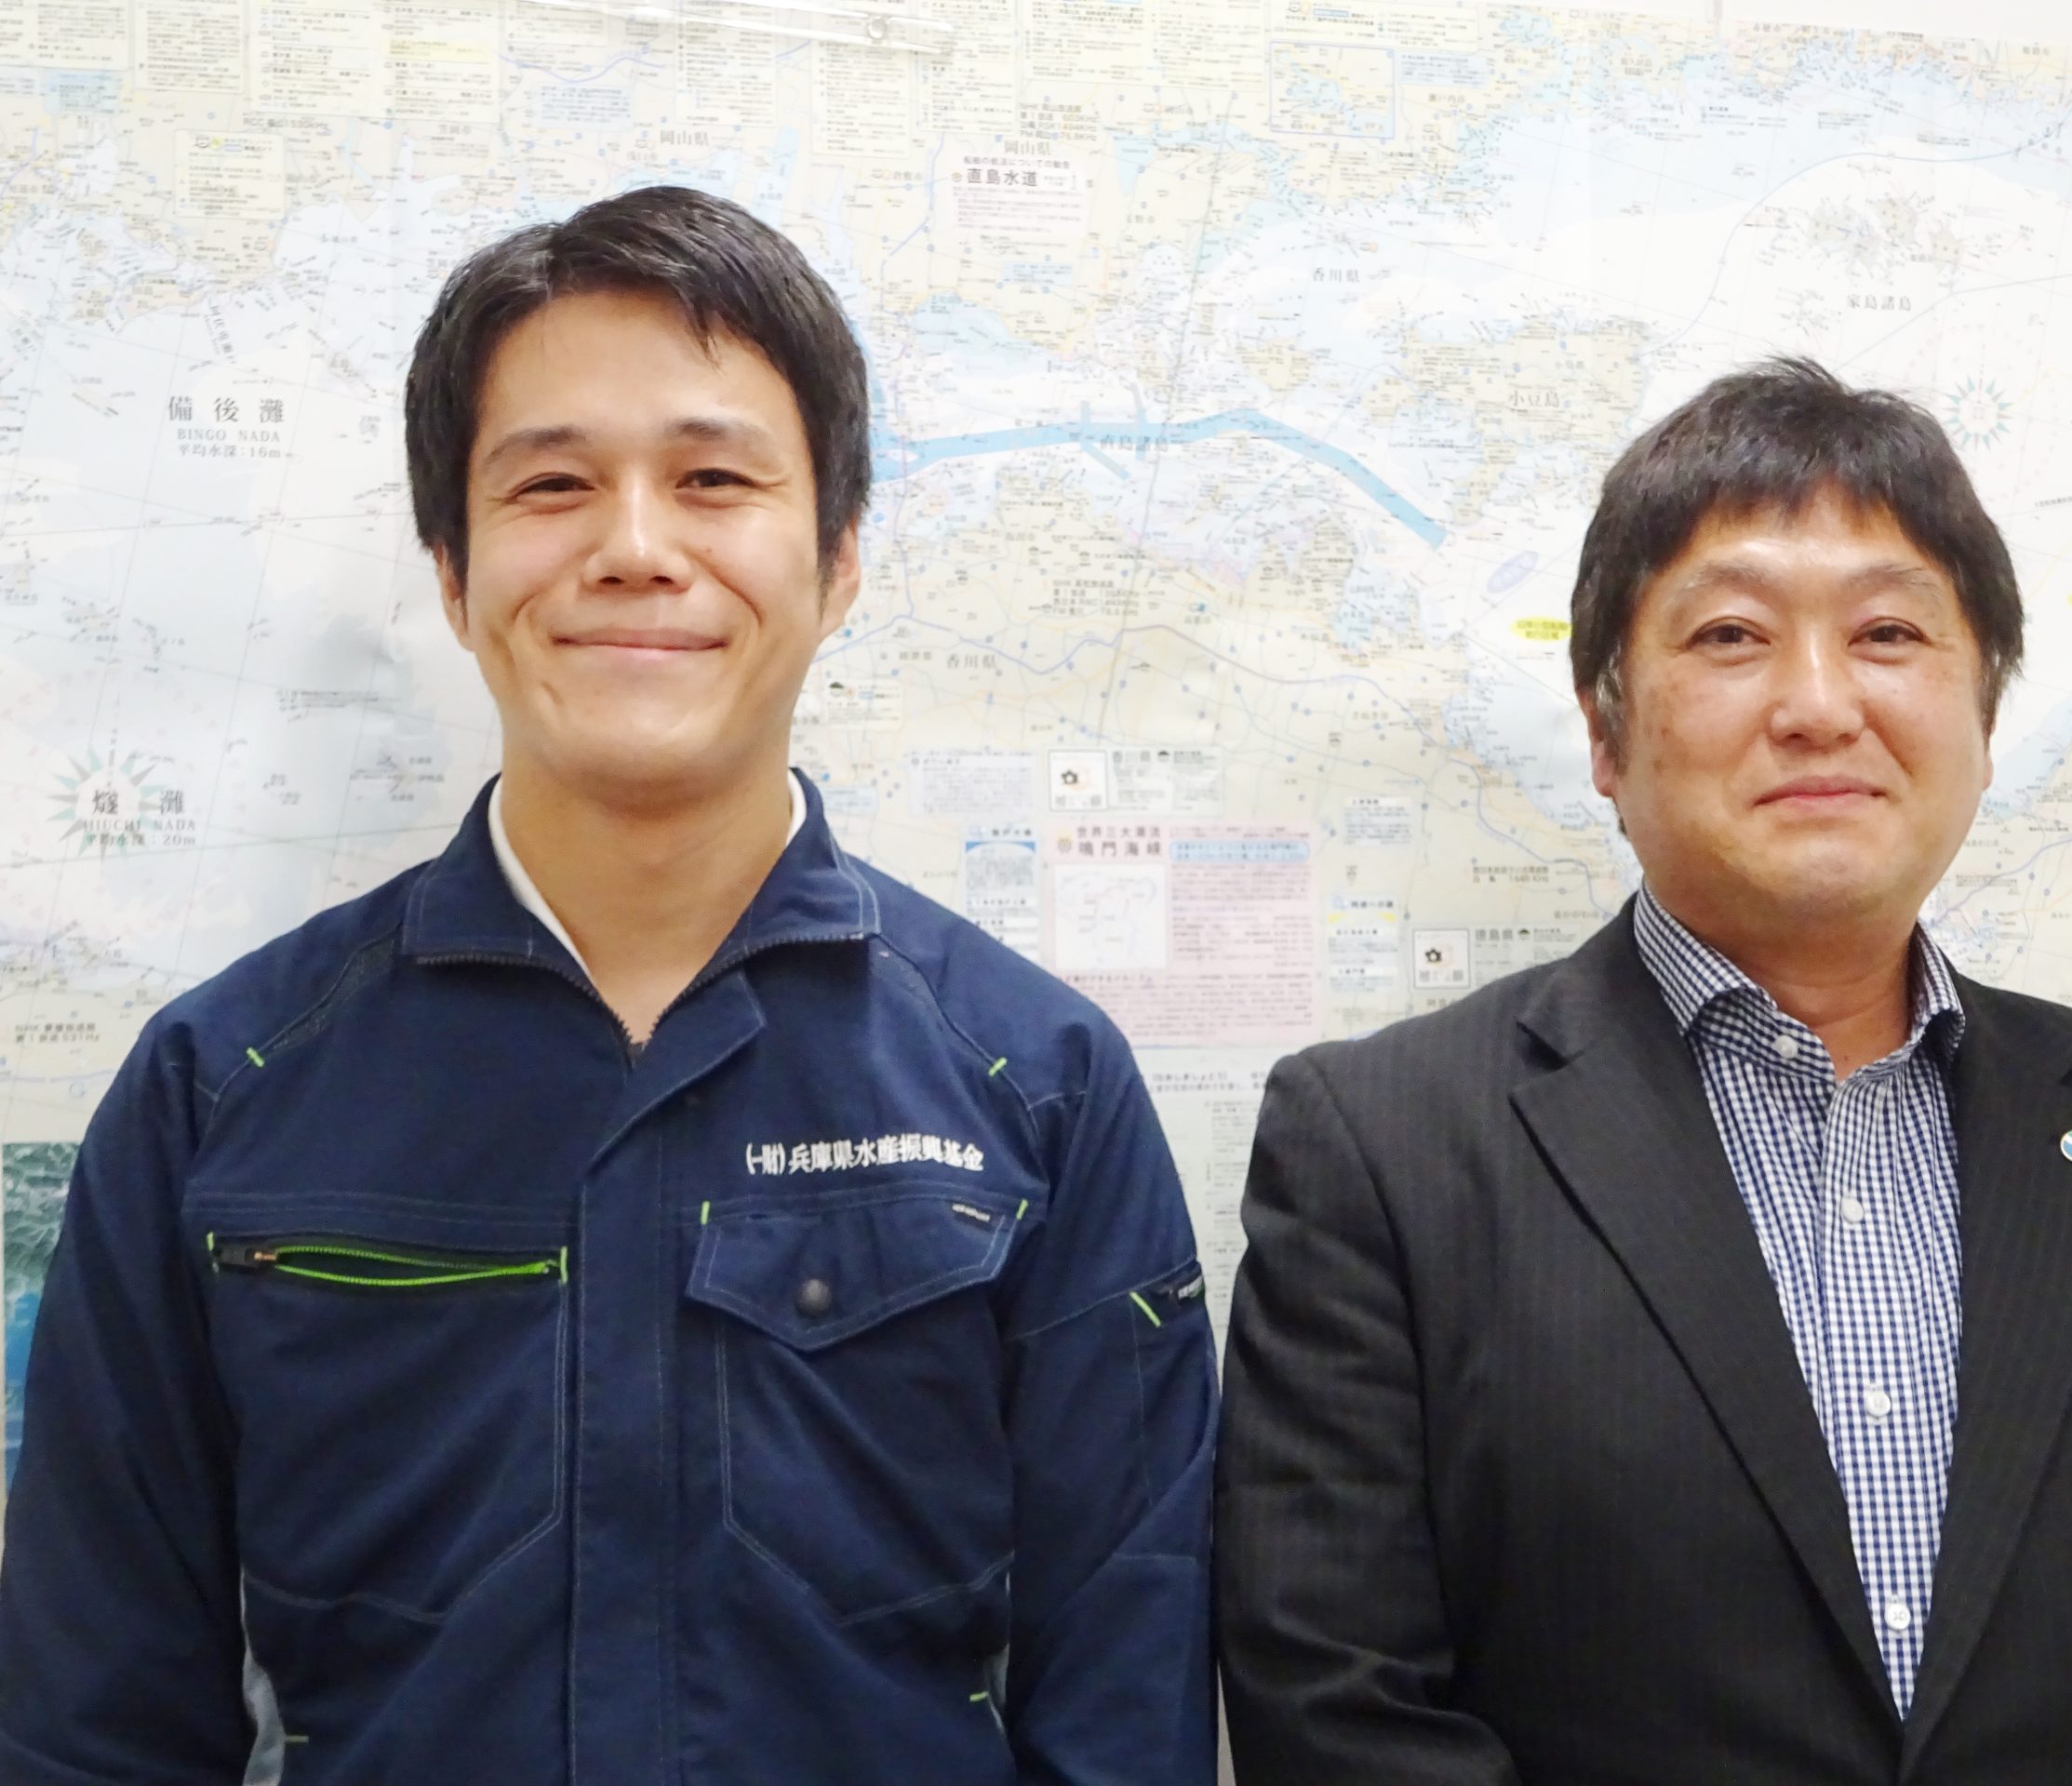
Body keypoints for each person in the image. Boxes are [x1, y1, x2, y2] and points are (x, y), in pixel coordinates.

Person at [0, 186, 1215, 1785]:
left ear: (839, 558)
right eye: (554, 485)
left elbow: (1122, 1708)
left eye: (714, 480)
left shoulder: (1038, 1083)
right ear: (453, 571)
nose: (636, 551)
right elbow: (95, 1723)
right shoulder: (218, 1089)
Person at [1214, 357, 2072, 1784]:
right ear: (1605, 729)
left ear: (1984, 715)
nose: (1820, 705)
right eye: (1731, 636)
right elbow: (1339, 1705)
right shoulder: (1382, 1152)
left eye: (1889, 632)